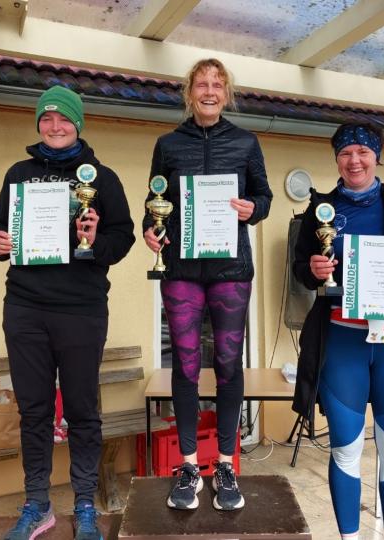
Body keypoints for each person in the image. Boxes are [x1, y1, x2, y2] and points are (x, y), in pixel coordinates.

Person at [0, 85, 135, 540]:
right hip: (25, 307)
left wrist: (95, 240)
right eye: (46, 119)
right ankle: (37, 504)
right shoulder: (19, 174)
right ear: (39, 124)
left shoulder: (102, 179)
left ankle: (85, 504)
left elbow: (123, 239)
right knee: (34, 411)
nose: (55, 126)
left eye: (63, 119)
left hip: (81, 309)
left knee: (82, 410)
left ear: (78, 124)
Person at [291, 122, 384, 539]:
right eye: (345, 153)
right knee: (345, 450)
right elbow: (301, 268)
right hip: (342, 341)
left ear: (377, 157)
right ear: (336, 159)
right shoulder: (320, 210)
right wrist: (312, 269)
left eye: (362, 152)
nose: (354, 160)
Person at [143, 58, 273, 511]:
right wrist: (151, 229)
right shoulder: (167, 145)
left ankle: (225, 464)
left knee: (228, 365)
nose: (210, 91)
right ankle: (187, 467)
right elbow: (154, 201)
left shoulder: (246, 142)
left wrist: (252, 209)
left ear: (227, 93)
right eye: (202, 84)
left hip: (231, 270)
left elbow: (264, 196)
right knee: (184, 366)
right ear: (190, 91)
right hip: (181, 270)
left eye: (218, 84)